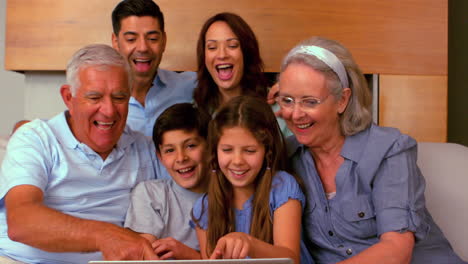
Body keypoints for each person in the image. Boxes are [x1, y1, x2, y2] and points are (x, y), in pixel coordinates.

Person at [277, 36, 466, 263]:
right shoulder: (285, 157)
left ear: (342, 100)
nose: (295, 114)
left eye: (309, 102)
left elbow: (397, 250)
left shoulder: (389, 150)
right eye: (287, 100)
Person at [0, 44, 166, 264]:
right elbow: (22, 221)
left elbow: (195, 198)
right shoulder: (35, 138)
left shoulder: (146, 148)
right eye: (95, 97)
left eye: (119, 97)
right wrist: (105, 236)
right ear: (69, 97)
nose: (108, 110)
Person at [191, 96, 313, 264]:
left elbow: (290, 258)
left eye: (249, 150)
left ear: (267, 152)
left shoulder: (282, 187)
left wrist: (249, 244)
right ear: (215, 152)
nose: (237, 161)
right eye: (227, 150)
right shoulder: (204, 207)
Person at [124, 103, 210, 260]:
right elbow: (143, 258)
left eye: (190, 146)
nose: (181, 158)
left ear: (210, 147)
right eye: (170, 150)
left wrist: (189, 256)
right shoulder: (151, 195)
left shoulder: (233, 195)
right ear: (160, 157)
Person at [192, 12, 291, 137]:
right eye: (212, 47)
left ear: (247, 52)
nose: (222, 55)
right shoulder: (198, 109)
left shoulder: (276, 107)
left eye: (232, 46)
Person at [111, 0, 197, 137]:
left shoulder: (190, 86)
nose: (143, 48)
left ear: (164, 41)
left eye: (152, 38)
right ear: (115, 42)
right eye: (131, 39)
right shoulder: (103, 102)